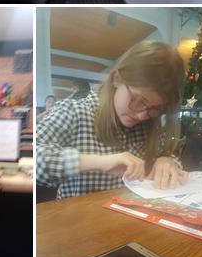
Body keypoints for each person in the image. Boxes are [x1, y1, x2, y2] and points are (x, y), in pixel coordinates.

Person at [36, 41, 188, 199]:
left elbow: (173, 160)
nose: (142, 115)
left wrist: (166, 161)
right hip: (80, 220)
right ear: (117, 79)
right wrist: (100, 162)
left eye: (155, 109)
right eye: (137, 100)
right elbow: (34, 158)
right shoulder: (75, 111)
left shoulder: (149, 125)